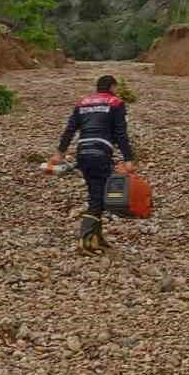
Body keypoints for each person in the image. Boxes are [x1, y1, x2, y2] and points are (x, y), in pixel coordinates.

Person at [57, 74, 134, 251]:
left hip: (83, 152)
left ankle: (97, 238)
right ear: (113, 87)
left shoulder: (82, 102)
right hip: (100, 152)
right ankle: (85, 238)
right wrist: (128, 159)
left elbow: (70, 129)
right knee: (100, 198)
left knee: (96, 194)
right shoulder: (115, 103)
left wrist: (60, 152)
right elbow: (121, 133)